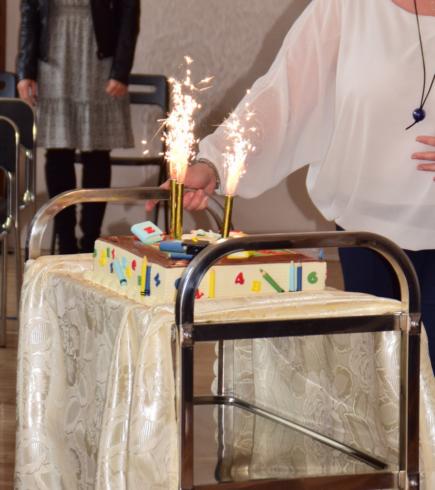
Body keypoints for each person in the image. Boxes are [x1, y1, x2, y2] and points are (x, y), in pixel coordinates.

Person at [147, 0, 435, 373]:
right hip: (367, 237)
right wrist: (214, 163)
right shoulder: (346, 7)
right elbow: (282, 95)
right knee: (382, 376)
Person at [17, 0, 140, 253]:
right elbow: (29, 12)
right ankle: (65, 242)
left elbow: (129, 11)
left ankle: (91, 241)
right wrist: (25, 70)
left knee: (97, 152)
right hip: (52, 56)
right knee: (57, 152)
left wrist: (121, 69)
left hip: (98, 57)